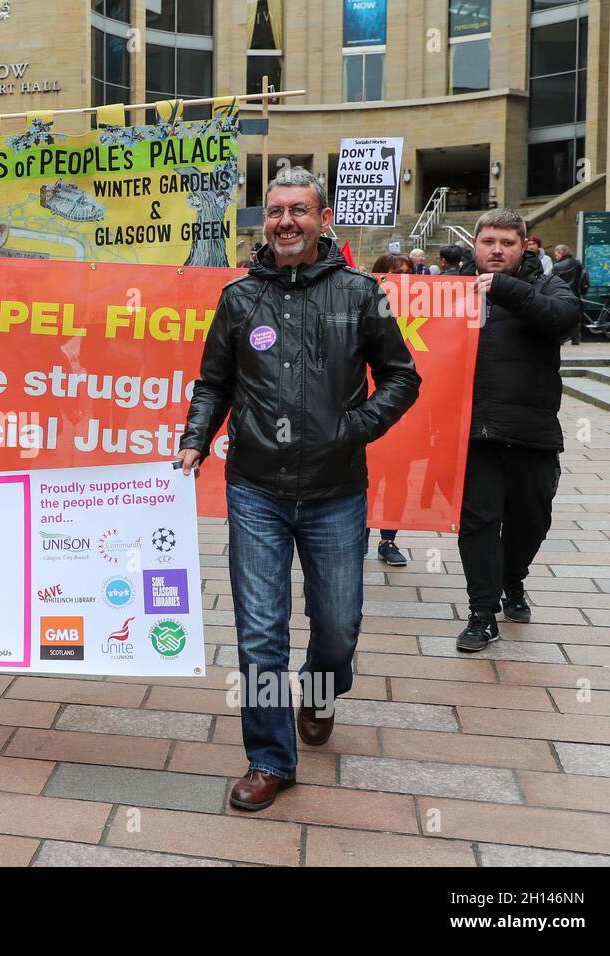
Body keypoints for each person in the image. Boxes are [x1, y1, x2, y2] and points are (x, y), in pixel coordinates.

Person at [179, 167, 420, 811]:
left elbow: (402, 376)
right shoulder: (238, 298)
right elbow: (213, 382)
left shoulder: (360, 294)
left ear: (321, 219)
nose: (286, 221)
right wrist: (196, 438)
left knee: (338, 627)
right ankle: (269, 758)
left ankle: (320, 691)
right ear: (265, 221)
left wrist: (356, 428)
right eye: (276, 211)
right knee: (260, 632)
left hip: (336, 489)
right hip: (255, 487)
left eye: (300, 211)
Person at [455, 210, 581, 652]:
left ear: (523, 246)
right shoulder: (451, 288)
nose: (496, 250)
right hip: (475, 434)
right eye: (488, 241)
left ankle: (514, 578)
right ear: (474, 244)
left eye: (507, 243)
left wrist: (506, 290)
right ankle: (482, 612)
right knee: (479, 523)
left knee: (532, 520)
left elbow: (564, 319)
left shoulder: (546, 284)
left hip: (532, 431)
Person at [367, 253, 416, 568]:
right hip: (366, 409)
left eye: (408, 272)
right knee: (367, 480)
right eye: (396, 273)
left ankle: (389, 540)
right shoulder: (363, 302)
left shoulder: (424, 307)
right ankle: (359, 534)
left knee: (398, 481)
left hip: (404, 417)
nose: (404, 277)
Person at [552, 244, 589, 346]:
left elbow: (552, 280)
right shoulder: (577, 263)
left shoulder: (557, 266)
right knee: (575, 317)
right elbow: (584, 277)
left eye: (556, 254)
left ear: (561, 253)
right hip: (575, 293)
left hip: (561, 294)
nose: (555, 256)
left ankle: (561, 339)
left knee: (560, 317)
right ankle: (575, 338)